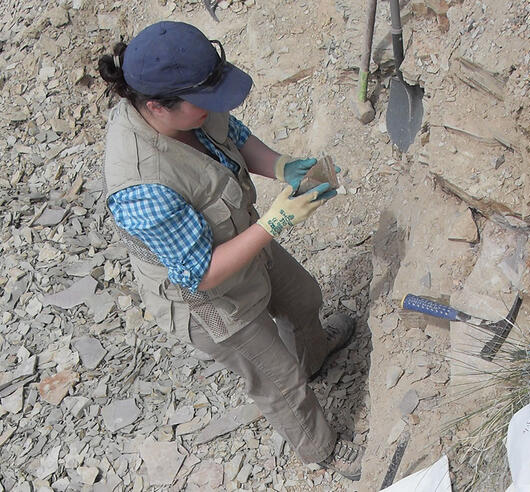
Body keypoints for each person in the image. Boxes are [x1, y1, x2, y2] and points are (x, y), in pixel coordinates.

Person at [97, 21, 364, 480]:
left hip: (241, 238)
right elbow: (199, 274)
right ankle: (322, 448)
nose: (214, 108)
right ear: (157, 107)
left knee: (303, 298)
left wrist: (280, 166)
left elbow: (233, 136)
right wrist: (277, 221)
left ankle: (315, 355)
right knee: (281, 383)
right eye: (205, 103)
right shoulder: (142, 184)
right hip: (207, 297)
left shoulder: (193, 106)